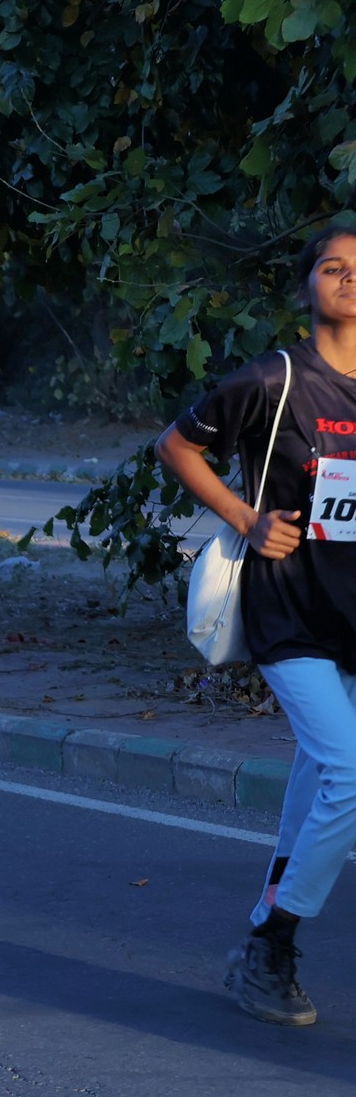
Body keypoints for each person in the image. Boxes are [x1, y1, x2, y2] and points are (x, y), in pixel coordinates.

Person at [155, 221, 356, 1027]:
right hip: (289, 610)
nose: (349, 278)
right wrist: (246, 516)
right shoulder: (276, 378)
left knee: (320, 778)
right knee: (350, 773)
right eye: (333, 266)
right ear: (306, 285)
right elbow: (176, 446)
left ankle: (262, 932)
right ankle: (272, 944)